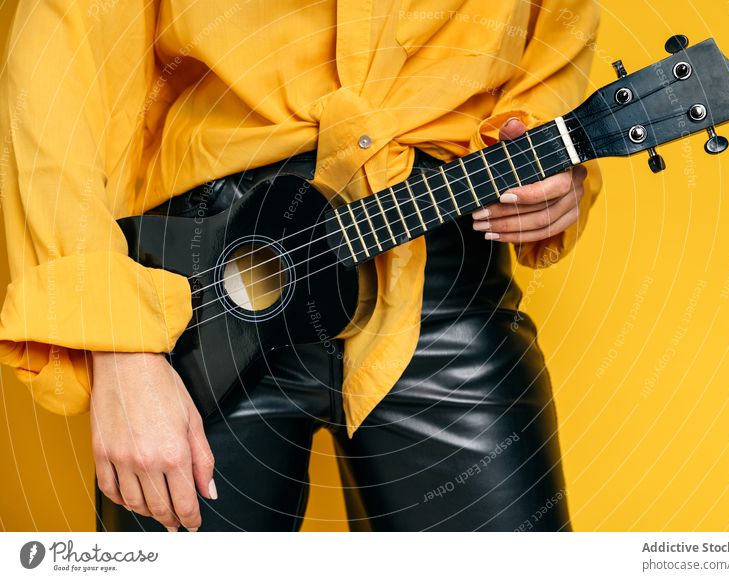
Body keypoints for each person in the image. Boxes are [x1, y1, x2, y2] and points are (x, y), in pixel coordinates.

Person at [0, 0, 602, 531]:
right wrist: (119, 348)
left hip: (437, 264)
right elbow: (55, 71)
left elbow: (553, 39)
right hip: (206, 284)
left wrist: (553, 164)